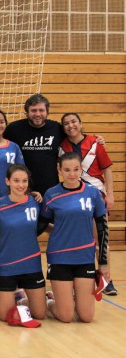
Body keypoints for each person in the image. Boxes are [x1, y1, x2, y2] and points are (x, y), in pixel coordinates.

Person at [39, 152, 108, 323]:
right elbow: (41, 225)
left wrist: (103, 262)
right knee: (66, 316)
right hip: (59, 257)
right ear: (59, 170)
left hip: (85, 257)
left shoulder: (93, 193)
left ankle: (70, 301)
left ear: (81, 169)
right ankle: (50, 300)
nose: (72, 174)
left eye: (76, 169)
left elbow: (102, 228)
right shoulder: (51, 194)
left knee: (86, 316)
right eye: (67, 170)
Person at [59, 112, 117, 295]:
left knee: (101, 238)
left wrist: (110, 194)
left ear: (81, 123)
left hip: (97, 196)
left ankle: (106, 278)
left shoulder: (95, 143)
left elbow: (107, 169)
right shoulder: (61, 146)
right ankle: (85, 276)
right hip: (73, 199)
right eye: (66, 123)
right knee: (82, 239)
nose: (71, 126)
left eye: (74, 121)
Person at [0, 164, 46, 322]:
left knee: (39, 314)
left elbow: (45, 225)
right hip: (7, 266)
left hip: (32, 265)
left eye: (24, 181)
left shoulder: (36, 202)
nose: (21, 185)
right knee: (4, 315)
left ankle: (19, 297)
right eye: (16, 180)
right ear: (8, 181)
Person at [4, 94, 63, 196]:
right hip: (23, 189)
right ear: (27, 112)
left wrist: (92, 140)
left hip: (51, 189)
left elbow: (74, 137)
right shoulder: (14, 129)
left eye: (41, 110)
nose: (37, 114)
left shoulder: (56, 128)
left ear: (47, 112)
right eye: (33, 110)